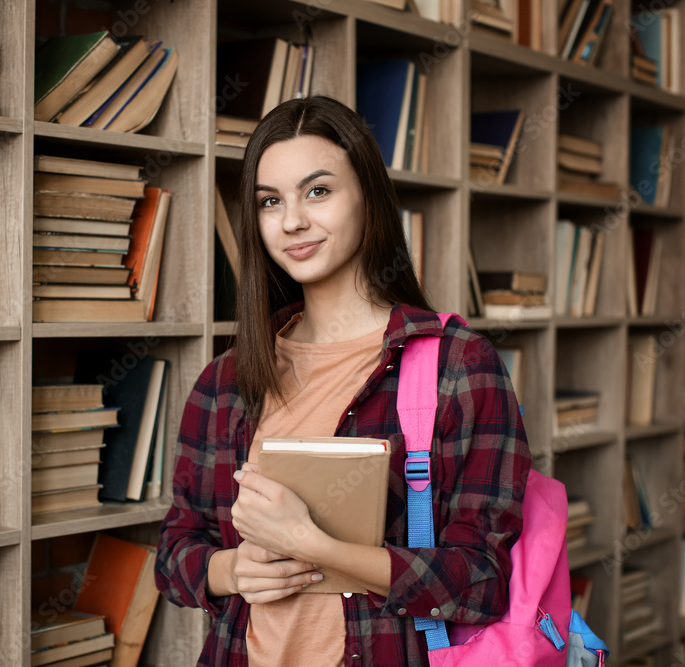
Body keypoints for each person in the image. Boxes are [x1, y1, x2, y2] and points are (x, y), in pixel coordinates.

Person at [154, 96, 531, 666]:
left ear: (369, 199)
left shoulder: (458, 367)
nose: (292, 221)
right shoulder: (226, 381)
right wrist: (230, 570)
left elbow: (480, 581)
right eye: (270, 201)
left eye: (318, 191)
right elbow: (175, 551)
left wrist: (315, 547)